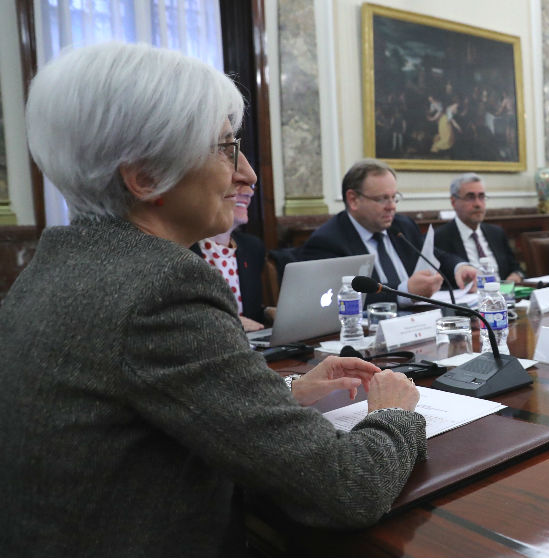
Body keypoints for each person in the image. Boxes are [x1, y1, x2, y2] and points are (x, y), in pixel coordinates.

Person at [0, 43, 426, 556]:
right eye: (226, 148)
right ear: (145, 177)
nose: (245, 173)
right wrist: (394, 413)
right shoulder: (161, 287)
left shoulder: (60, 261)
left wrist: (286, 392)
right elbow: (346, 489)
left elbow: (144, 408)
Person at [301, 158, 477, 306]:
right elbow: (334, 298)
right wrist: (404, 292)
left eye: (394, 197)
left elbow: (435, 256)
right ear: (353, 199)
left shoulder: (402, 226)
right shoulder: (329, 241)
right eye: (382, 198)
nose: (392, 206)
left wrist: (459, 268)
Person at [191, 178, 267, 331]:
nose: (250, 193)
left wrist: (268, 312)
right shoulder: (179, 248)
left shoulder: (252, 247)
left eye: (251, 186)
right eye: (237, 183)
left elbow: (250, 316)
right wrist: (228, 321)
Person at [435, 173, 525, 282]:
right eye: (470, 197)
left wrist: (516, 276)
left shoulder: (496, 233)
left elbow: (516, 267)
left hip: (502, 296)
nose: (478, 204)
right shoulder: (439, 238)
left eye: (481, 197)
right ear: (454, 202)